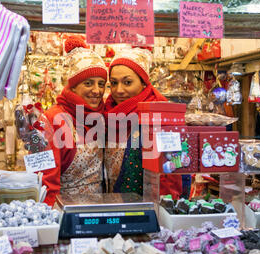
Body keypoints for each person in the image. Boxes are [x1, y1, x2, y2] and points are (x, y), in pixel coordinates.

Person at [104, 46, 182, 197]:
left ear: (144, 83)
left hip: (147, 208)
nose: (118, 90)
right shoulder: (108, 115)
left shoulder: (160, 117)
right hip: (112, 205)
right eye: (113, 83)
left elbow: (171, 172)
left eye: (127, 82)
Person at [41, 36, 108, 206]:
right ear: (73, 86)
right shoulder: (53, 120)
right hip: (66, 214)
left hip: (99, 212)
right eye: (88, 83)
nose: (97, 90)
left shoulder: (101, 117)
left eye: (101, 84)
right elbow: (46, 182)